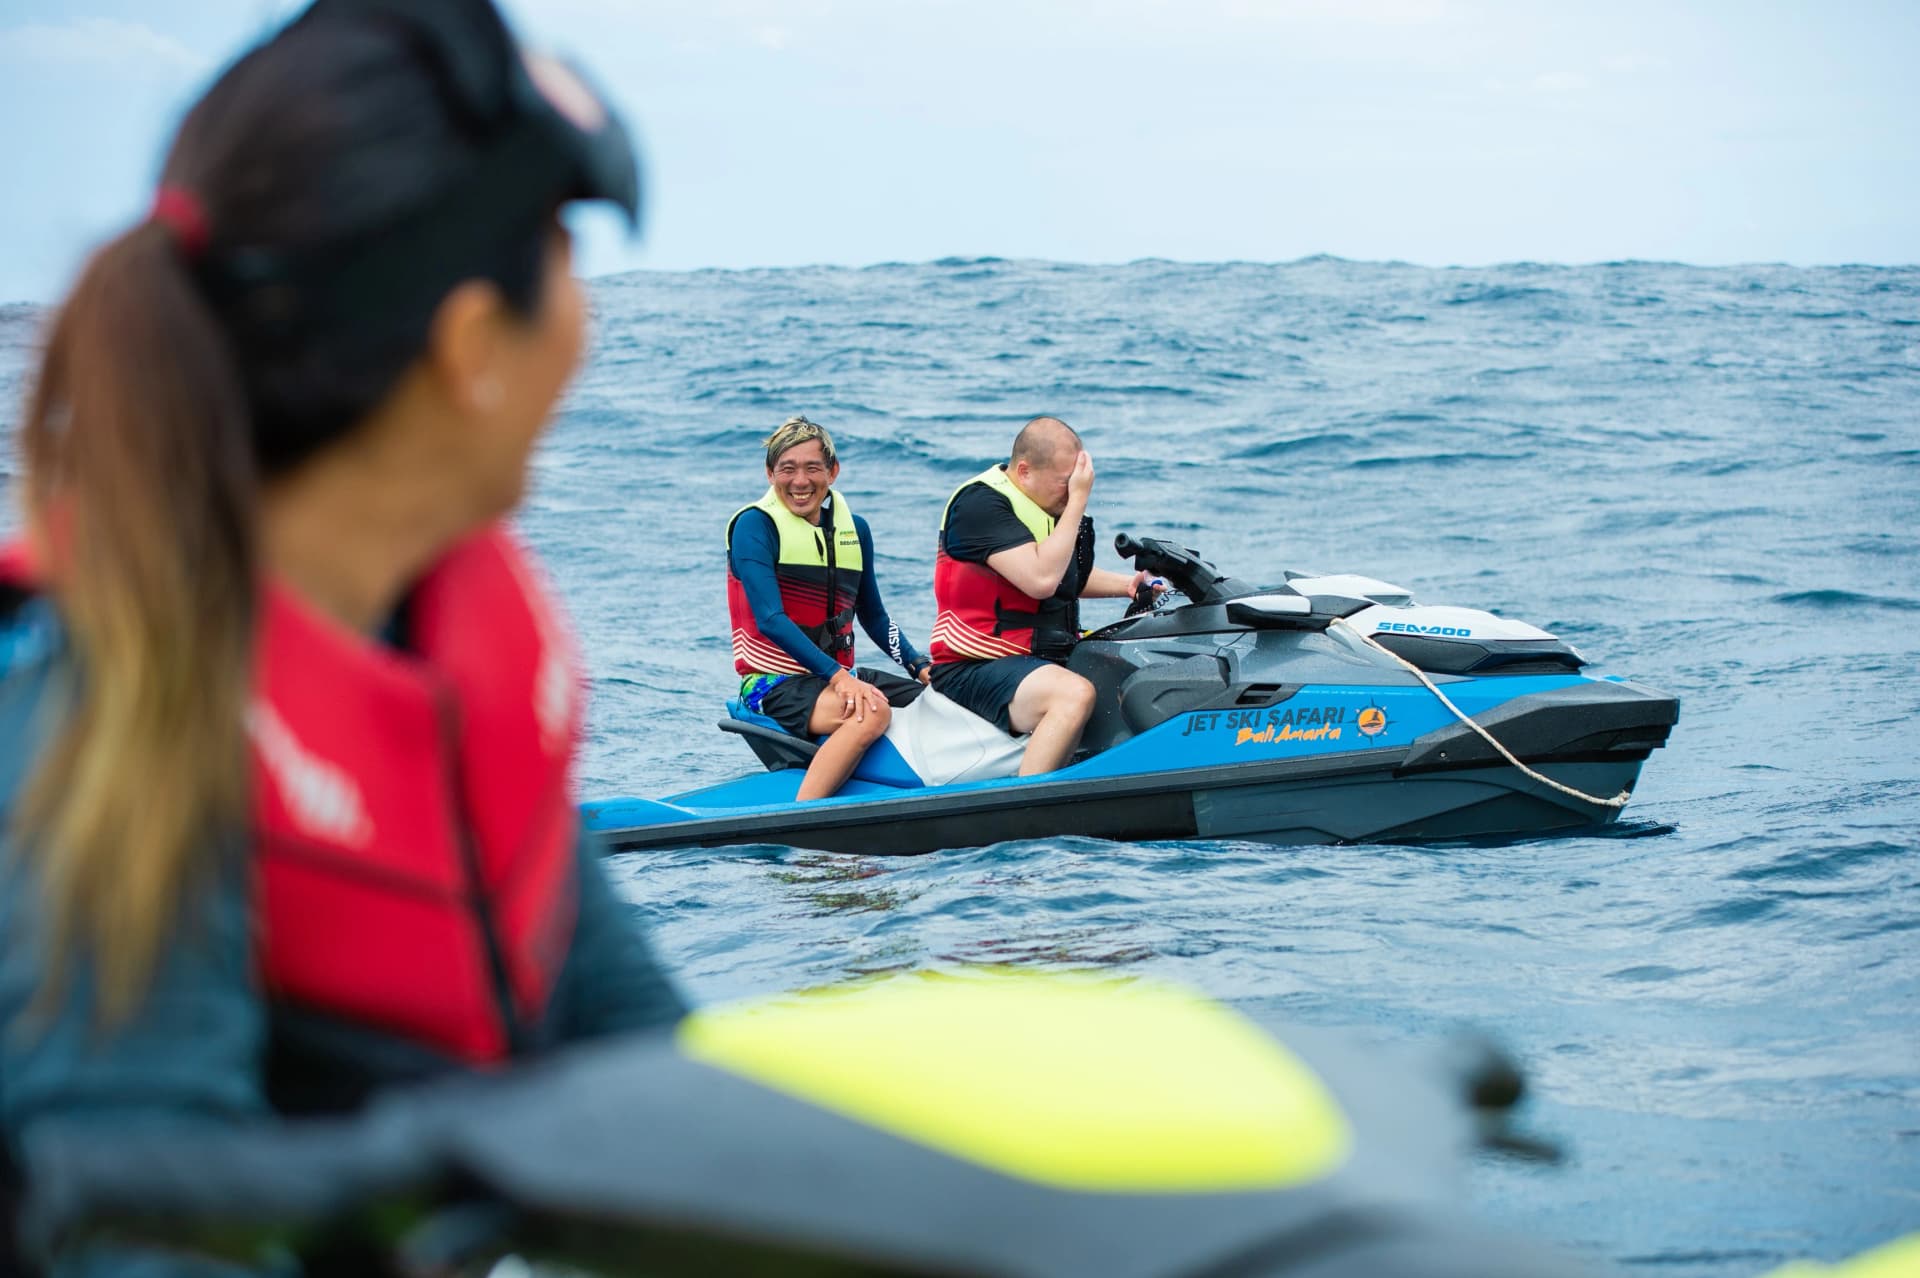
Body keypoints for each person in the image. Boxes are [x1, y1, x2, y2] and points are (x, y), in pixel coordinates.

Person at [0, 0, 683, 1268]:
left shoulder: (444, 656)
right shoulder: (100, 724)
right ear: (472, 347)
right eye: (564, 261)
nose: (586, 322)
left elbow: (659, 1102)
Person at [928, 416, 1161, 775]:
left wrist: (1128, 585)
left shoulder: (1041, 505)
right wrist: (1078, 501)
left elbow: (1063, 576)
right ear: (1024, 471)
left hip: (1034, 660)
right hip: (973, 667)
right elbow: (1040, 579)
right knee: (1073, 694)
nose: (1072, 491)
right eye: (1066, 483)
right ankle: (1026, 805)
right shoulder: (979, 505)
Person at [726, 415, 932, 800]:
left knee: (939, 704)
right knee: (871, 712)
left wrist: (918, 665)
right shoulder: (755, 527)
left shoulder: (856, 529)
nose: (800, 481)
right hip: (773, 684)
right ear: (770, 474)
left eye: (812, 468)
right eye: (787, 469)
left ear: (833, 472)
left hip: (837, 676)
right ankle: (806, 813)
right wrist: (839, 678)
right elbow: (770, 619)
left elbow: (874, 616)